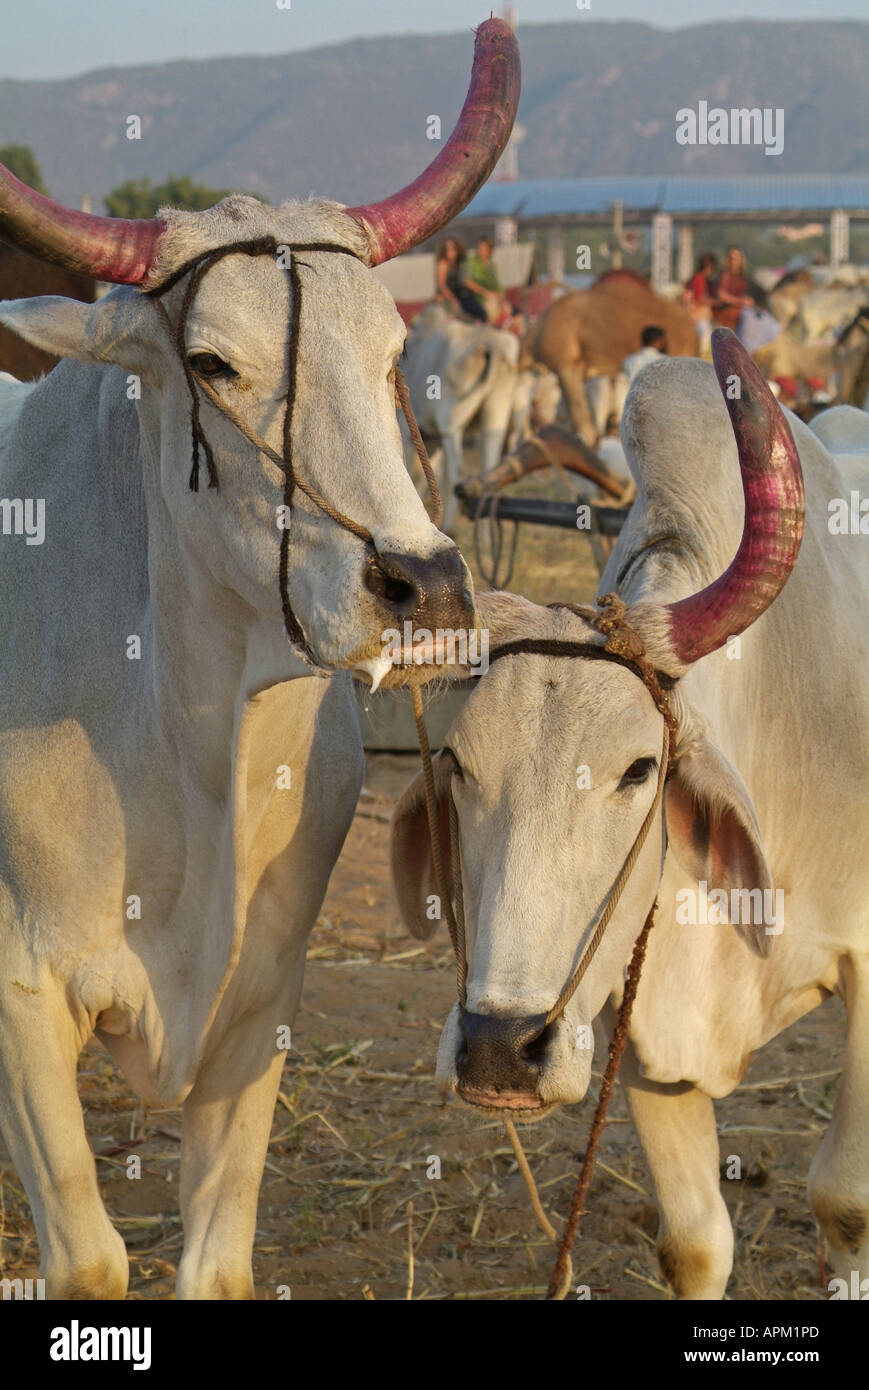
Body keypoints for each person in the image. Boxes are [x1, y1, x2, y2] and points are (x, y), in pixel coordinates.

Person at [434, 238, 487, 321]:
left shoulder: (458, 263)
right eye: (447, 249)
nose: (450, 251)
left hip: (457, 296)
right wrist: (453, 300)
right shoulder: (443, 264)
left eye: (453, 248)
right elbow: (441, 285)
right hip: (446, 297)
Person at [463, 237, 509, 324]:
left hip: (490, 296)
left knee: (508, 309)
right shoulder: (471, 261)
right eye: (479, 248)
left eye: (483, 248)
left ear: (490, 250)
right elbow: (466, 281)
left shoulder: (491, 265)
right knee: (490, 310)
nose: (480, 250)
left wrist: (500, 295)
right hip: (474, 297)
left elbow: (496, 284)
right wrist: (485, 292)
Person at [713, 246, 754, 330]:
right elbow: (721, 295)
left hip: (740, 310)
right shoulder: (725, 274)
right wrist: (740, 301)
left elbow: (742, 294)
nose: (733, 261)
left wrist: (747, 300)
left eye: (736, 258)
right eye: (731, 258)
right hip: (726, 312)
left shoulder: (742, 276)